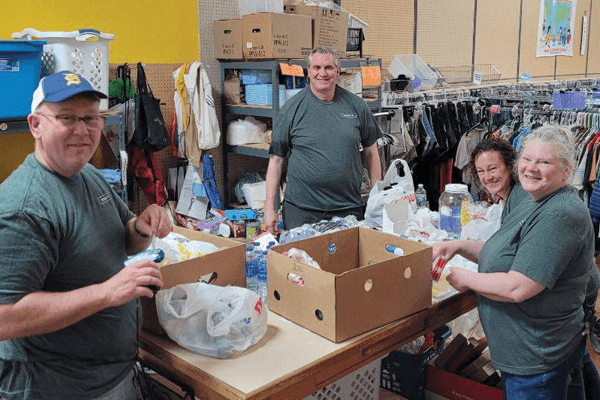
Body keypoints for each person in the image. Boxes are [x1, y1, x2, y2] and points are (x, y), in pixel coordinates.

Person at [0, 71, 172, 400]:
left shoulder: (87, 174)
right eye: (67, 117)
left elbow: (124, 238)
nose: (82, 130)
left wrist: (141, 227)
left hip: (112, 374)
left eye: (91, 118)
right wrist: (106, 293)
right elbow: (4, 318)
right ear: (36, 125)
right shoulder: (24, 208)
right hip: (60, 388)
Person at [433, 125, 596, 399]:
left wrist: (465, 278)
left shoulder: (557, 215)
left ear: (566, 171)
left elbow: (519, 287)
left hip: (536, 360)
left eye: (544, 162)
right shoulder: (537, 198)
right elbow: (508, 252)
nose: (531, 168)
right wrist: (459, 246)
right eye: (527, 159)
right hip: (543, 351)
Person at [264, 46, 382, 233]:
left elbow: (372, 154)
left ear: (337, 71)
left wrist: (377, 199)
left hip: (348, 208)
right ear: (308, 72)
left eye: (328, 68)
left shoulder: (357, 106)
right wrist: (269, 208)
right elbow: (276, 160)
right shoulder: (291, 109)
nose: (322, 73)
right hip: (301, 211)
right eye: (317, 68)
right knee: (300, 253)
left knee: (347, 253)